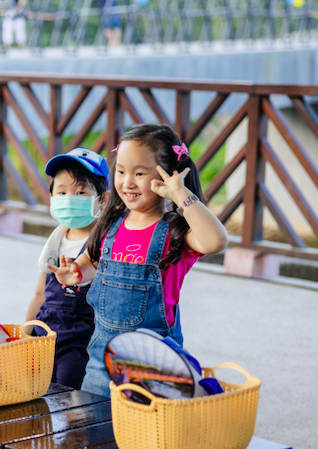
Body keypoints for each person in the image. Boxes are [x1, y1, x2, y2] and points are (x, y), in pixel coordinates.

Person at [49, 124, 228, 397]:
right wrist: (76, 272)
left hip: (154, 366)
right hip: (101, 362)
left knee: (146, 432)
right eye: (121, 171)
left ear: (169, 175)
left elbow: (216, 241)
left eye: (139, 173)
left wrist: (180, 195)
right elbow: (91, 262)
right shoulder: (110, 225)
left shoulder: (176, 231)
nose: (127, 182)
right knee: (91, 428)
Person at [26, 147, 109, 389]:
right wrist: (27, 332)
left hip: (79, 339)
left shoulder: (104, 241)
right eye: (61, 192)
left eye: (81, 192)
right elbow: (39, 293)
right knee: (38, 390)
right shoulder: (56, 240)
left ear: (102, 199)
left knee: (68, 392)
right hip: (45, 334)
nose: (69, 198)